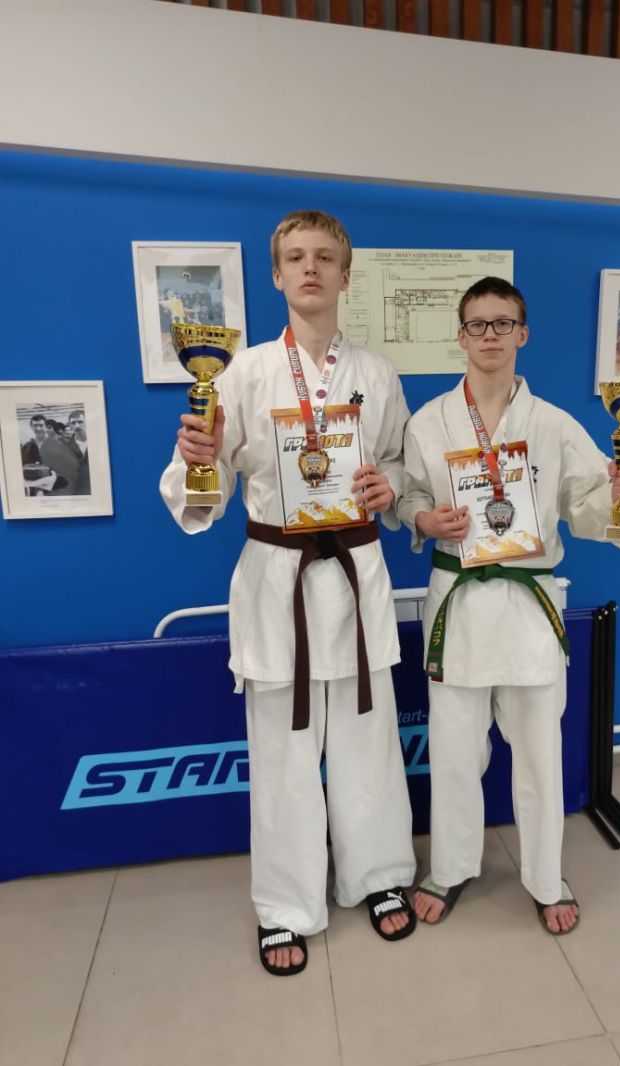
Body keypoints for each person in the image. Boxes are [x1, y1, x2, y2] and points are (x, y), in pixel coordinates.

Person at [160, 210, 417, 977]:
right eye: (296, 257)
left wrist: (388, 484)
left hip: (356, 573)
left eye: (325, 257)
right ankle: (286, 907)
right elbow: (205, 483)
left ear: (346, 275)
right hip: (280, 581)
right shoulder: (240, 373)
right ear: (275, 275)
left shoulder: (377, 374)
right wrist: (199, 457)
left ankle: (378, 875)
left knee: (370, 745)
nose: (310, 268)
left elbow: (401, 466)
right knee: (282, 757)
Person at [397, 277, 620, 935]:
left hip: (530, 604)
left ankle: (545, 876)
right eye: (477, 324)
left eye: (503, 323)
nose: (490, 335)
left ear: (523, 333)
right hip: (458, 601)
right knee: (454, 751)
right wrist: (424, 519)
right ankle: (450, 867)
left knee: (540, 751)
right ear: (460, 336)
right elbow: (407, 496)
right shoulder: (427, 422)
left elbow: (589, 507)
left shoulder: (554, 424)